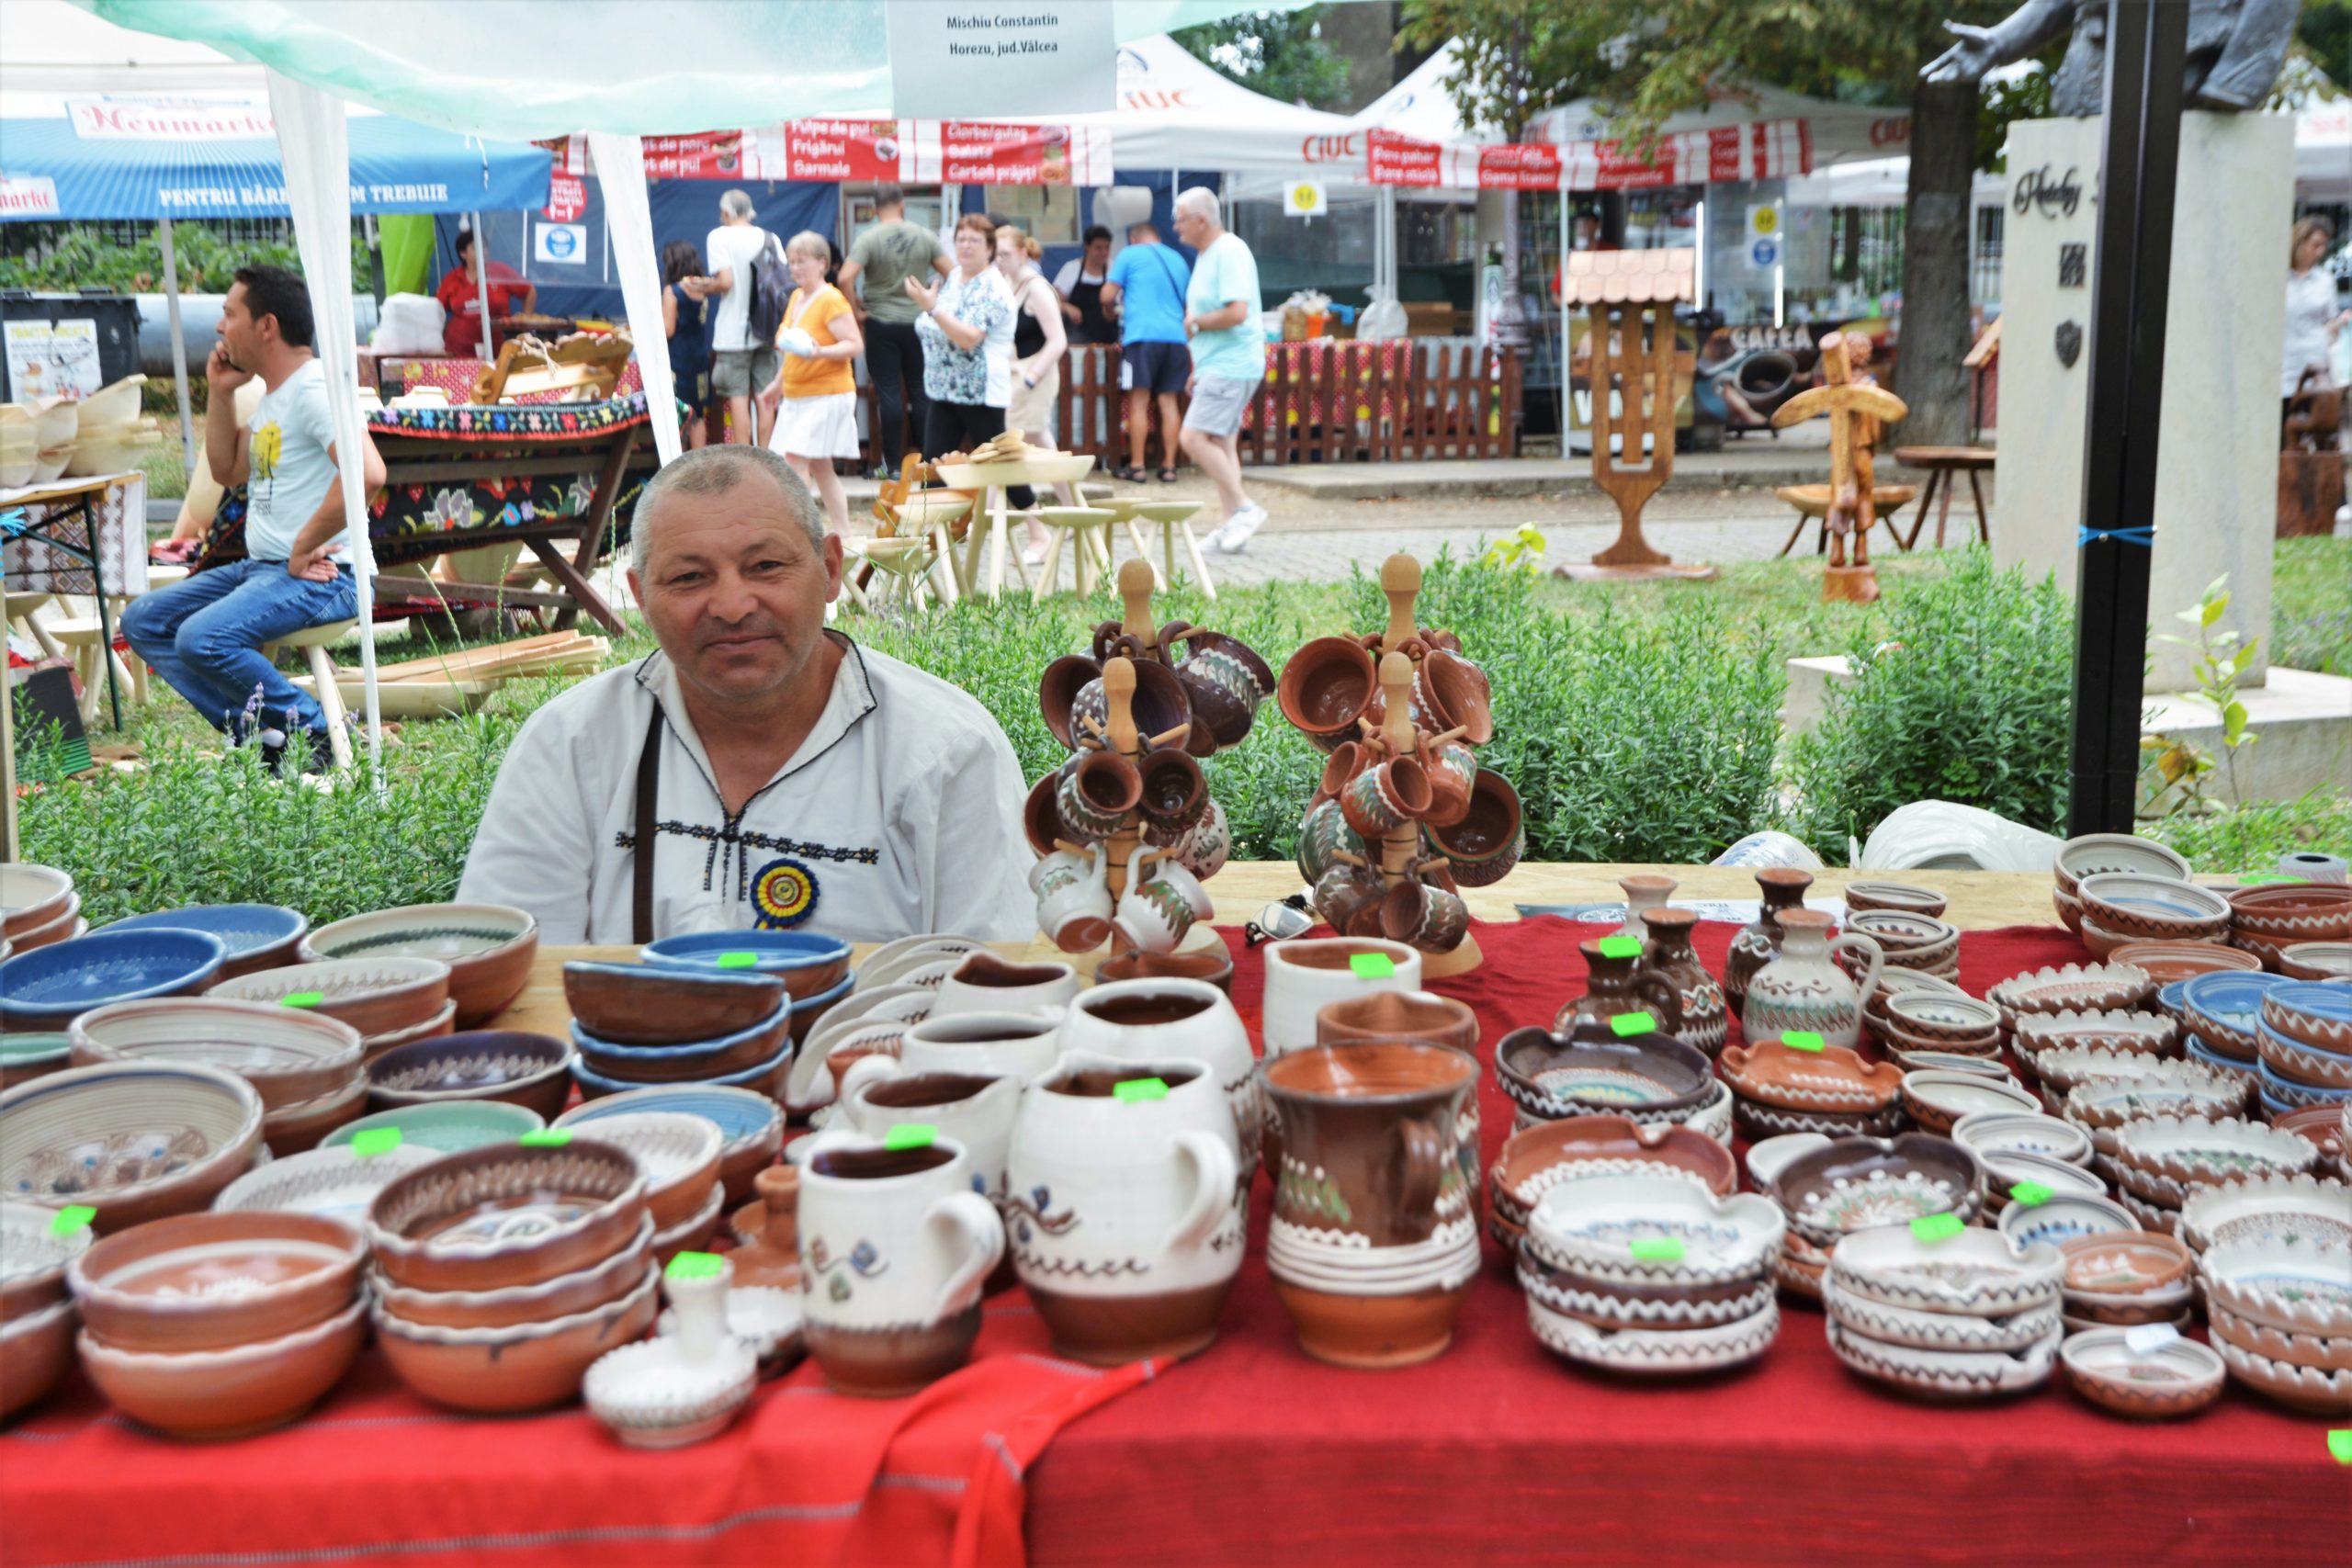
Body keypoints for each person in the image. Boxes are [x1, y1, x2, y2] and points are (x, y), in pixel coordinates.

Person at [456, 445, 1033, 943]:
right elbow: (516, 975)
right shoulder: (571, 746)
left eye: (765, 565)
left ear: (830, 569)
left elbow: (998, 988)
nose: (732, 607)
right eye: (688, 577)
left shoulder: (948, 752)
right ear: (639, 596)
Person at [122, 265, 386, 776]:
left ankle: (311, 729)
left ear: (267, 326)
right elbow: (227, 468)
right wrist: (219, 393)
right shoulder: (276, 396)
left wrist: (305, 542)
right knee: (144, 620)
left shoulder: (312, 388)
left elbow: (367, 473)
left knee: (200, 637)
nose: (220, 328)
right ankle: (261, 735)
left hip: (332, 577)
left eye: (229, 314)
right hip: (266, 570)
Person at [1171, 187, 1268, 553]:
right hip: (1221, 363)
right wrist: (1199, 364)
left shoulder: (1228, 251)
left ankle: (1245, 508)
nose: (1177, 227)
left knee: (1193, 438)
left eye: (1180, 219)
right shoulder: (1210, 254)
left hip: (1232, 363)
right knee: (1222, 442)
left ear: (1201, 220)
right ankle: (1232, 526)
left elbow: (1236, 312)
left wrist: (1195, 326)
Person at [837, 184, 949, 479]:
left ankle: (892, 466)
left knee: (888, 393)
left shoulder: (869, 237)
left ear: (875, 209)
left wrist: (855, 308)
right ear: (902, 206)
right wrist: (935, 301)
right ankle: (929, 463)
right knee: (921, 393)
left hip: (881, 322)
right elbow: (953, 272)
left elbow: (845, 276)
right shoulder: (925, 235)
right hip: (919, 322)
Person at [756, 231, 864, 536]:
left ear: (822, 263)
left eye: (802, 261)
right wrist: (778, 384)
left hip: (827, 394)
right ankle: (843, 533)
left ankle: (805, 534)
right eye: (791, 262)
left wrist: (821, 352)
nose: (795, 268)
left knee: (795, 459)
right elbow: (792, 350)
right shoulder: (796, 297)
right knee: (820, 466)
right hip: (799, 393)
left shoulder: (831, 299)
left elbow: (854, 344)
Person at [910, 214, 1020, 491]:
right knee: (932, 467)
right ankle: (932, 533)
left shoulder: (994, 288)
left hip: (979, 391)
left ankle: (1036, 526)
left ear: (990, 248)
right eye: (961, 239)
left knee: (999, 465)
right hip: (945, 388)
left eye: (975, 240)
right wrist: (931, 311)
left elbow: (969, 337)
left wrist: (932, 309)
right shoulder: (955, 277)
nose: (966, 246)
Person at [998, 224, 1074, 563]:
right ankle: (1072, 511)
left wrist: (1031, 377)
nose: (1000, 260)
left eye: (1006, 254)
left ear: (1023, 253)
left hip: (1034, 375)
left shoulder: (1037, 288)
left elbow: (1058, 340)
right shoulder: (1009, 286)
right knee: (1038, 443)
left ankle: (1036, 527)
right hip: (1016, 372)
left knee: (1011, 448)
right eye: (996, 254)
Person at [1101, 219, 1190, 483]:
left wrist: (1110, 311)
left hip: (1141, 337)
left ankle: (1137, 466)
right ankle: (1169, 466)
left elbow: (1107, 295)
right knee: (1169, 402)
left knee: (1138, 402)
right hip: (1176, 339)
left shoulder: (1130, 254)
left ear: (1133, 239)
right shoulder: (1178, 259)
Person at [702, 189, 776, 447]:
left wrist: (703, 288)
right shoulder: (771, 238)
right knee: (765, 396)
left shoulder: (719, 237)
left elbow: (725, 282)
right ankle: (766, 457)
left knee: (738, 395)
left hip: (733, 332)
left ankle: (746, 460)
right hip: (766, 329)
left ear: (726, 212)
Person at [2283, 215, 2347, 423]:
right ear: (2299, 242)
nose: (2319, 251)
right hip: (2281, 363)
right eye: (2315, 245)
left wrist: (2341, 322)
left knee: (2308, 430)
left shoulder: (2324, 280)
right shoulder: (2278, 276)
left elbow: (2329, 321)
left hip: (2313, 365)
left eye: (2323, 246)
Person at [433, 229, 536, 357]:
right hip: (457, 349)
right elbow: (436, 308)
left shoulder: (499, 271)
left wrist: (526, 323)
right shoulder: (452, 278)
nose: (483, 251)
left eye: (485, 247)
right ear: (463, 254)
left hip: (495, 348)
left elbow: (529, 291)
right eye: (476, 247)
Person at [661, 241, 713, 450]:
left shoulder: (672, 291)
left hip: (678, 359)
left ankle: (676, 460)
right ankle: (698, 461)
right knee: (697, 413)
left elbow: (668, 329)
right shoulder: (703, 288)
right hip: (700, 357)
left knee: (678, 411)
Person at [1054, 224, 1116, 345]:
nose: (1103, 252)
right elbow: (1053, 302)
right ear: (1087, 246)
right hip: (1076, 342)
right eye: (1098, 248)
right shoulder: (1071, 269)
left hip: (1109, 342)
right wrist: (1066, 307)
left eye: (1107, 248)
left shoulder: (1115, 270)